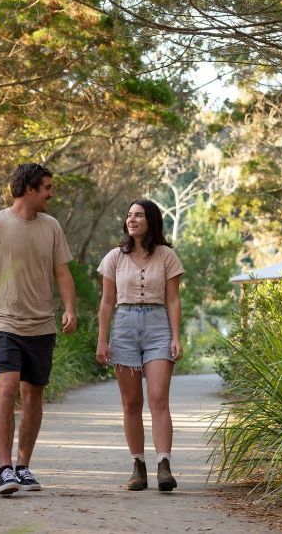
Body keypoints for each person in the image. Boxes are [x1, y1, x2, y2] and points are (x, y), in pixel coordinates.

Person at [0, 163, 77, 496]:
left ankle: (23, 466)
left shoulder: (52, 227)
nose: (51, 194)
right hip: (3, 322)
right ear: (30, 189)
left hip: (41, 324)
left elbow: (63, 275)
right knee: (7, 386)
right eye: (47, 188)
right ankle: (3, 469)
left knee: (33, 395)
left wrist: (70, 309)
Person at [96, 199, 184, 492]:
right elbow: (107, 302)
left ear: (151, 221)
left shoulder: (167, 256)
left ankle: (164, 465)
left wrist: (175, 336)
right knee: (131, 403)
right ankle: (138, 465)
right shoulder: (113, 258)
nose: (131, 220)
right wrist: (102, 340)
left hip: (158, 326)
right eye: (129, 215)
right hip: (124, 327)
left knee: (158, 398)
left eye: (139, 215)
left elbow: (173, 299)